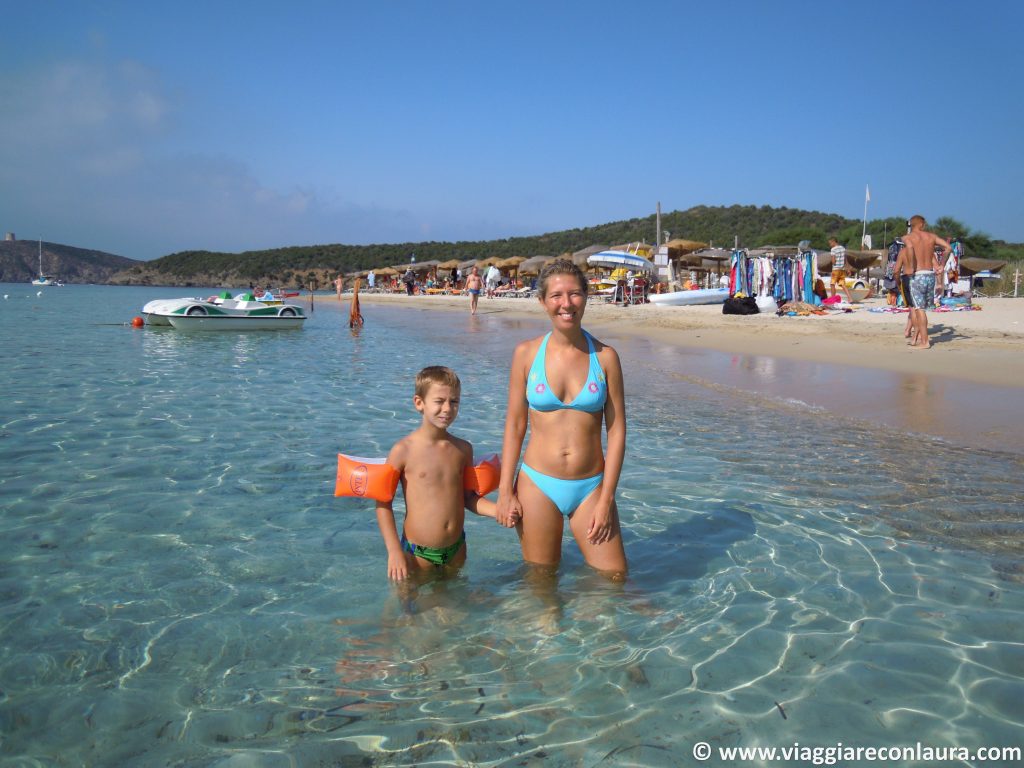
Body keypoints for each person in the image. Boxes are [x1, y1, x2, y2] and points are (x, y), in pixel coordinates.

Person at [495, 259, 628, 579]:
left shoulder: (606, 357)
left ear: (586, 297)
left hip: (591, 487)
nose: (566, 303)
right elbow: (515, 425)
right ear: (542, 302)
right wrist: (504, 491)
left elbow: (618, 429)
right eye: (556, 296)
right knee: (541, 582)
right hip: (537, 484)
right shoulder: (526, 354)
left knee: (614, 580)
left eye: (575, 294)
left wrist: (607, 498)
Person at [375, 366, 497, 581]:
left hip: (457, 548)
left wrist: (498, 511)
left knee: (453, 605)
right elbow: (383, 503)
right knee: (408, 610)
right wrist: (394, 551)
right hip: (416, 553)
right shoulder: (403, 450)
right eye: (439, 401)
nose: (448, 409)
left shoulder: (463, 449)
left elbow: (468, 499)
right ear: (419, 403)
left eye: (454, 401)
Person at [894, 215, 951, 350]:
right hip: (929, 275)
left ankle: (924, 341)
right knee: (922, 309)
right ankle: (917, 338)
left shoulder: (907, 238)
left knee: (918, 309)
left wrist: (912, 267)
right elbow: (948, 248)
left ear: (912, 225)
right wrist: (942, 264)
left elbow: (909, 248)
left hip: (917, 275)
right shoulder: (931, 237)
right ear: (921, 224)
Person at [828, 238, 852, 302]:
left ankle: (833, 298)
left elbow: (833, 261)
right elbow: (845, 260)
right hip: (842, 269)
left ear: (833, 242)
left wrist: (832, 261)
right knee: (843, 284)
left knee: (832, 284)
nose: (830, 245)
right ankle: (850, 298)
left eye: (830, 243)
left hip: (835, 269)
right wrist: (848, 269)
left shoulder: (833, 249)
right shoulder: (842, 248)